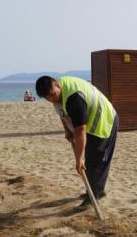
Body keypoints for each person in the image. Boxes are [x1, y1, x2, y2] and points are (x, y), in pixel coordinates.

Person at [36, 75, 118, 207]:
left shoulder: (74, 98)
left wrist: (79, 159)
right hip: (89, 122)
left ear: (57, 85)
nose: (51, 99)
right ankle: (95, 191)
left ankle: (94, 196)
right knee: (91, 159)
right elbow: (61, 111)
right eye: (47, 98)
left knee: (95, 160)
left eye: (52, 95)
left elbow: (80, 131)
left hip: (104, 120)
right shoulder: (58, 93)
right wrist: (67, 130)